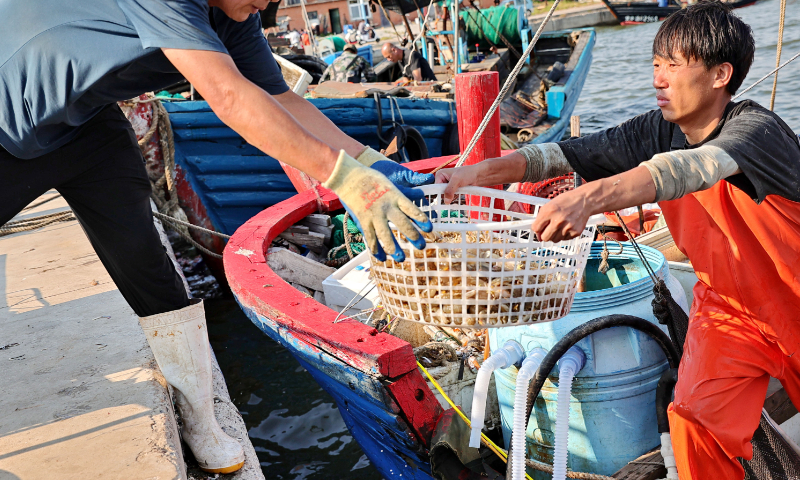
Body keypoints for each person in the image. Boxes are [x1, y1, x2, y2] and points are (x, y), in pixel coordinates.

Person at [0, 0, 434, 474]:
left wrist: (368, 163)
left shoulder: (236, 16)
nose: (267, 4)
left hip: (87, 124)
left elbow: (280, 99)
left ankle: (201, 420)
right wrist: (344, 179)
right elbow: (227, 97)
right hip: (6, 120)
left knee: (148, 266)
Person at [437, 3, 800, 479]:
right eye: (655, 64)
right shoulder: (656, 129)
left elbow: (691, 169)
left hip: (793, 305)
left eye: (674, 65)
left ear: (720, 74)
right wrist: (480, 170)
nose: (659, 79)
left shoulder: (757, 131)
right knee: (693, 423)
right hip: (728, 310)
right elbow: (561, 154)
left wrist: (590, 198)